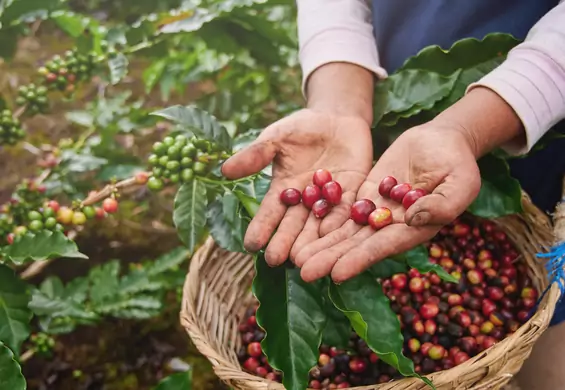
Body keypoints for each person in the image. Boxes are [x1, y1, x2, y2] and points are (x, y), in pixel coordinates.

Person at [221, 2, 565, 388]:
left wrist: (468, 129)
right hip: (388, 93)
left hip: (531, 110)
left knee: (546, 300)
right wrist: (339, 104)